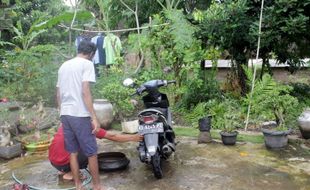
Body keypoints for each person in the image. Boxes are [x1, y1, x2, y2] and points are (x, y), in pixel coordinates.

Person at [56, 40, 101, 190]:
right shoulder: (87, 64)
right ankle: (97, 187)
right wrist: (94, 116)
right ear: (91, 54)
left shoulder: (63, 66)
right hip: (79, 114)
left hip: (65, 113)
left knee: (73, 152)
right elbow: (85, 91)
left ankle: (78, 185)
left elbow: (58, 93)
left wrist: (61, 111)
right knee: (92, 152)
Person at [48, 124, 142, 181]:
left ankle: (64, 170)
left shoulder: (67, 121)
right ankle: (70, 174)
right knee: (91, 148)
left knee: (74, 146)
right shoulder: (86, 124)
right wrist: (133, 137)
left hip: (53, 161)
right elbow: (113, 136)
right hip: (64, 162)